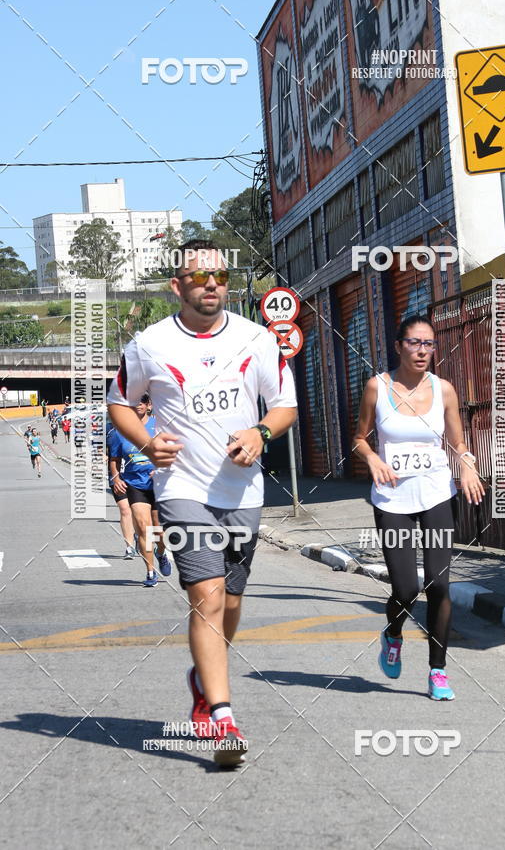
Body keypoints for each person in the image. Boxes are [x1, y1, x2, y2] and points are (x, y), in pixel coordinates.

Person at [107, 239, 297, 766]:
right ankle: (223, 718)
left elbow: (284, 405)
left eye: (219, 276)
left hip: (243, 491)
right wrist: (147, 442)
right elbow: (120, 403)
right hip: (182, 488)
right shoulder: (149, 344)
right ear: (178, 286)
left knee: (231, 601)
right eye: (198, 276)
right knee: (207, 596)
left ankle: (201, 679)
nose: (211, 284)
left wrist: (260, 432)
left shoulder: (256, 339)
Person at [354, 314, 485, 701]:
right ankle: (393, 634)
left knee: (439, 584)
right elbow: (359, 438)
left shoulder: (444, 390)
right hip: (392, 498)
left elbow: (458, 443)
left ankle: (437, 671)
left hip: (436, 494)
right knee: (407, 588)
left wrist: (467, 465)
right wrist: (372, 458)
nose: (423, 350)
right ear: (399, 346)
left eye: (429, 343)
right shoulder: (377, 387)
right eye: (414, 342)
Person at [107, 395, 170, 583]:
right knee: (143, 527)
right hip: (135, 484)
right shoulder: (121, 431)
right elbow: (114, 459)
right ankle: (150, 572)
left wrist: (162, 469)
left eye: (141, 402)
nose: (137, 406)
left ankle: (161, 553)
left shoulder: (160, 427)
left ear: (149, 405)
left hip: (158, 484)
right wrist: (116, 477)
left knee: (159, 531)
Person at [106, 418, 138, 560]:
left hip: (136, 476)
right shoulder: (110, 432)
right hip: (117, 476)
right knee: (125, 510)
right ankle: (129, 547)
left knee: (138, 511)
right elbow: (101, 449)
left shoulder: (139, 430)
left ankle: (138, 534)